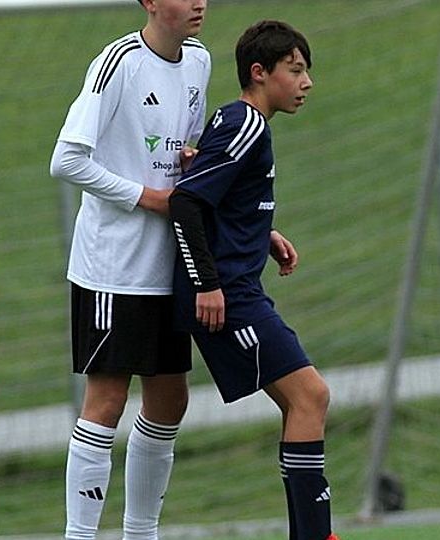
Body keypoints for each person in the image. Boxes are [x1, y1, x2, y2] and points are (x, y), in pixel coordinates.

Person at [169, 20, 338, 540]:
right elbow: (186, 202)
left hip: (240, 289)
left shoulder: (240, 121)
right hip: (230, 297)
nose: (306, 82)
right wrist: (207, 285)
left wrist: (263, 233)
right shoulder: (246, 123)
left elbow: (218, 194)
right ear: (260, 72)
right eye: (296, 70)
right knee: (311, 396)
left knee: (300, 403)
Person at [49, 0, 211, 538]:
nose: (199, 2)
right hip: (113, 268)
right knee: (108, 399)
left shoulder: (199, 60)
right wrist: (146, 196)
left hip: (169, 265)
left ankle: (142, 533)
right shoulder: (118, 62)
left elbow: (183, 157)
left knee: (170, 399)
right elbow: (67, 160)